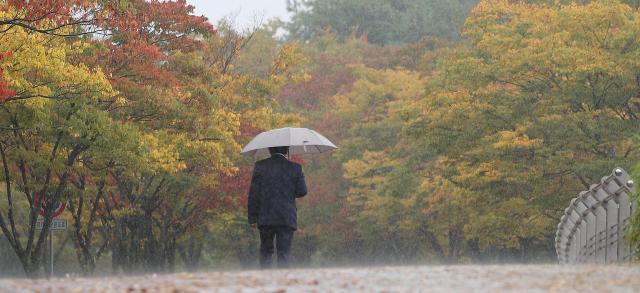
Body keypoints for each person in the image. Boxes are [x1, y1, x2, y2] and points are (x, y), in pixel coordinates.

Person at [248, 146, 307, 268]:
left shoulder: (260, 166)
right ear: (287, 150)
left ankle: (265, 280)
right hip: (286, 217)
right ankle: (283, 281)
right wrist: (291, 186)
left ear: (270, 150)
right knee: (284, 252)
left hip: (265, 216)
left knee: (266, 251)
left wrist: (252, 217)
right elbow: (302, 191)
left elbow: (254, 194)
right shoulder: (295, 168)